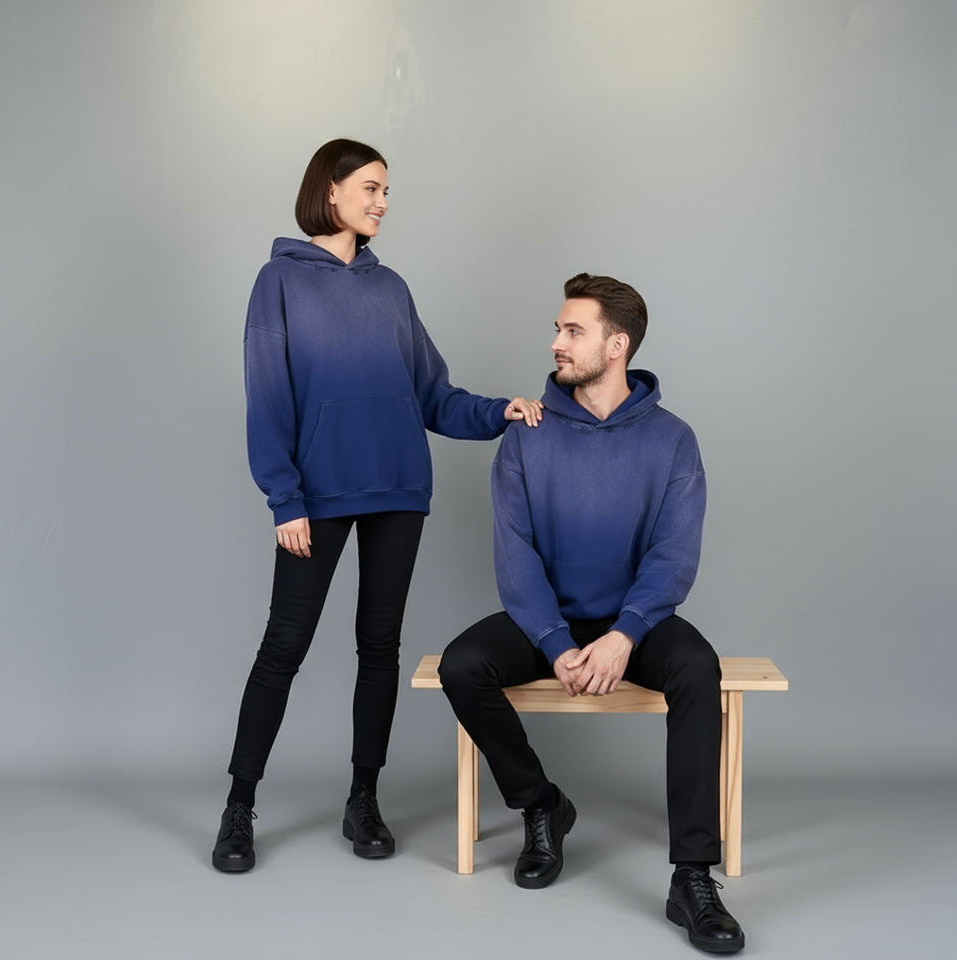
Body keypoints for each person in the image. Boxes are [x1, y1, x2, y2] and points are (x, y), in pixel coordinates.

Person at [212, 138, 542, 873]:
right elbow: (267, 396)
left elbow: (433, 395)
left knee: (379, 646)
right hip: (316, 497)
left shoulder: (391, 289)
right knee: (283, 647)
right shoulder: (278, 282)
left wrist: (500, 411)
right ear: (330, 190)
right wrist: (284, 499)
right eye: (371, 187)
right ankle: (238, 806)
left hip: (398, 490)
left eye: (386, 190)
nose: (382, 202)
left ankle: (364, 798)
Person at [438, 273, 745, 953]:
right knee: (462, 666)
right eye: (558, 328)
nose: (557, 342)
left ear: (617, 345)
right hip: (550, 619)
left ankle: (692, 878)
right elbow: (514, 553)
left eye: (573, 330)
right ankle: (542, 805)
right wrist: (553, 641)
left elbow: (673, 554)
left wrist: (624, 636)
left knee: (699, 669)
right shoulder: (527, 435)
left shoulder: (673, 440)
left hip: (634, 621)